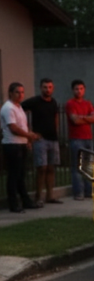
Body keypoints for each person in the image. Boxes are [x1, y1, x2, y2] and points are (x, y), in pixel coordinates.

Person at [22, 78, 63, 207]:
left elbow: (55, 117)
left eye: (50, 87)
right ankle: (38, 197)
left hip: (53, 139)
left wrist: (56, 131)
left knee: (51, 168)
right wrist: (29, 132)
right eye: (45, 87)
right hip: (40, 139)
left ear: (53, 88)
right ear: (41, 88)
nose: (47, 90)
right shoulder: (34, 101)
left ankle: (50, 196)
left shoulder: (53, 102)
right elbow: (20, 111)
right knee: (41, 168)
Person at [2, 83, 41, 212]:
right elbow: (13, 128)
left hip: (21, 144)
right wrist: (29, 135)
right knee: (14, 175)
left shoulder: (19, 107)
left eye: (22, 92)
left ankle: (25, 201)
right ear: (11, 93)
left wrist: (27, 140)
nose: (20, 95)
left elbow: (23, 125)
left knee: (21, 174)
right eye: (17, 92)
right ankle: (13, 204)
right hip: (12, 144)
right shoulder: (8, 108)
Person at [66, 79, 94, 201]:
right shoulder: (70, 104)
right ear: (73, 90)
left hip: (88, 138)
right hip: (76, 139)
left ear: (84, 90)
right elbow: (75, 120)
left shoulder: (88, 103)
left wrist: (82, 118)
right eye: (76, 89)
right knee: (77, 166)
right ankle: (78, 192)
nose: (79, 91)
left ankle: (89, 191)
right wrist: (88, 118)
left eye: (81, 89)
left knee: (88, 166)